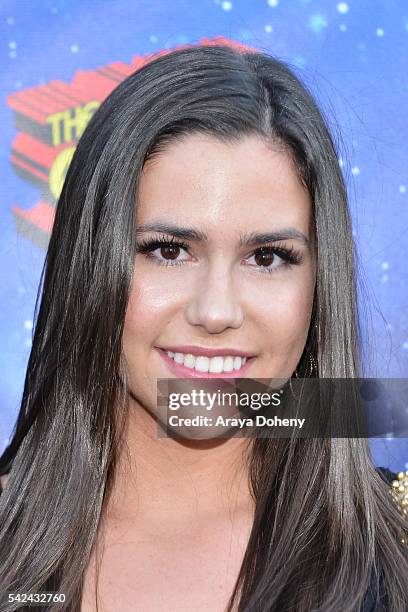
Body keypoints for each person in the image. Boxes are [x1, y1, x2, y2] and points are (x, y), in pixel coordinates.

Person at [0, 44, 407, 612]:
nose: (216, 312)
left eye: (267, 258)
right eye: (169, 250)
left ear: (319, 282)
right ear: (91, 263)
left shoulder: (397, 549)